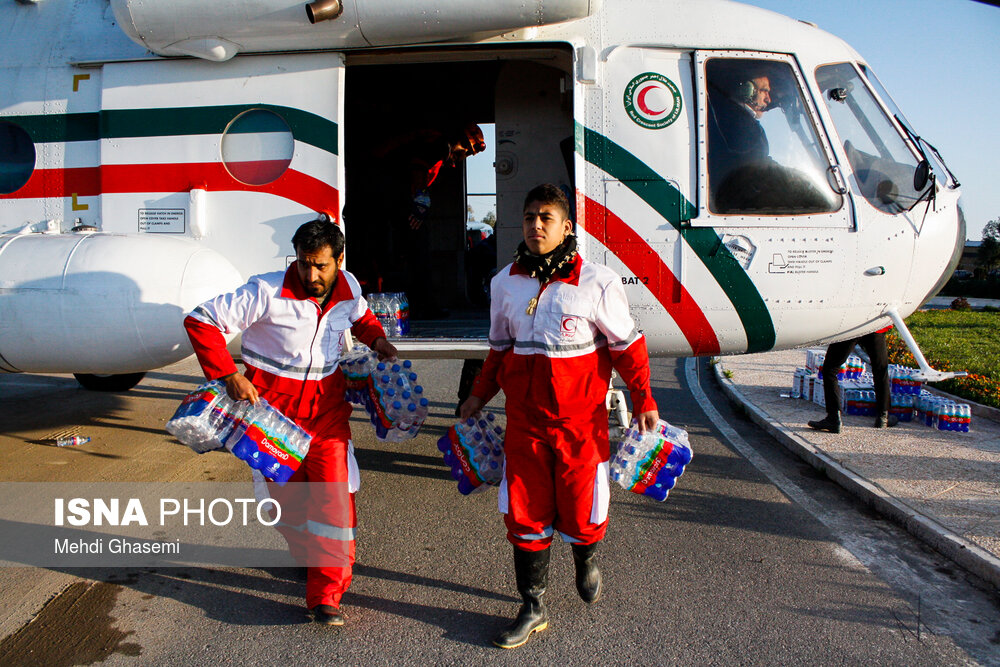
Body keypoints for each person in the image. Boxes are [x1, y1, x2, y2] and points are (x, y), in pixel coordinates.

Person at [458, 184, 659, 649]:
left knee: (582, 509)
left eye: (546, 218)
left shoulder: (598, 282)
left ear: (566, 227)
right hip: (525, 424)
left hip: (580, 426)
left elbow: (628, 348)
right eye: (529, 217)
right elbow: (498, 350)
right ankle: (532, 605)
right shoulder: (504, 282)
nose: (535, 226)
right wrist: (477, 397)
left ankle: (585, 556)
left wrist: (644, 398)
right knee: (523, 513)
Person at [183, 218, 397, 626]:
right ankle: (308, 554)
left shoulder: (349, 286)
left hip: (327, 416)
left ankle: (326, 594)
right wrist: (230, 375)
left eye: (321, 266)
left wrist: (377, 339)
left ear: (339, 260)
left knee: (334, 501)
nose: (311, 275)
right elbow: (201, 320)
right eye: (304, 264)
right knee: (283, 506)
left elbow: (362, 317)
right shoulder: (266, 290)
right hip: (270, 419)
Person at [808, 326, 896, 433]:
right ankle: (883, 416)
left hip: (853, 325)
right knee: (880, 370)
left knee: (830, 369)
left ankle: (834, 418)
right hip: (874, 326)